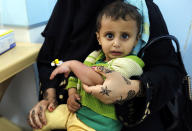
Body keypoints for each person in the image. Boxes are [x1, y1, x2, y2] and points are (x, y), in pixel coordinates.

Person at [28, 0, 183, 131]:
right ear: (99, 36)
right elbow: (49, 58)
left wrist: (132, 88)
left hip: (127, 116)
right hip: (71, 107)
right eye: (109, 35)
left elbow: (169, 71)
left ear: (136, 39)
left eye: (125, 36)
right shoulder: (68, 5)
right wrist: (50, 96)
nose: (116, 43)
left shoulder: (141, 9)